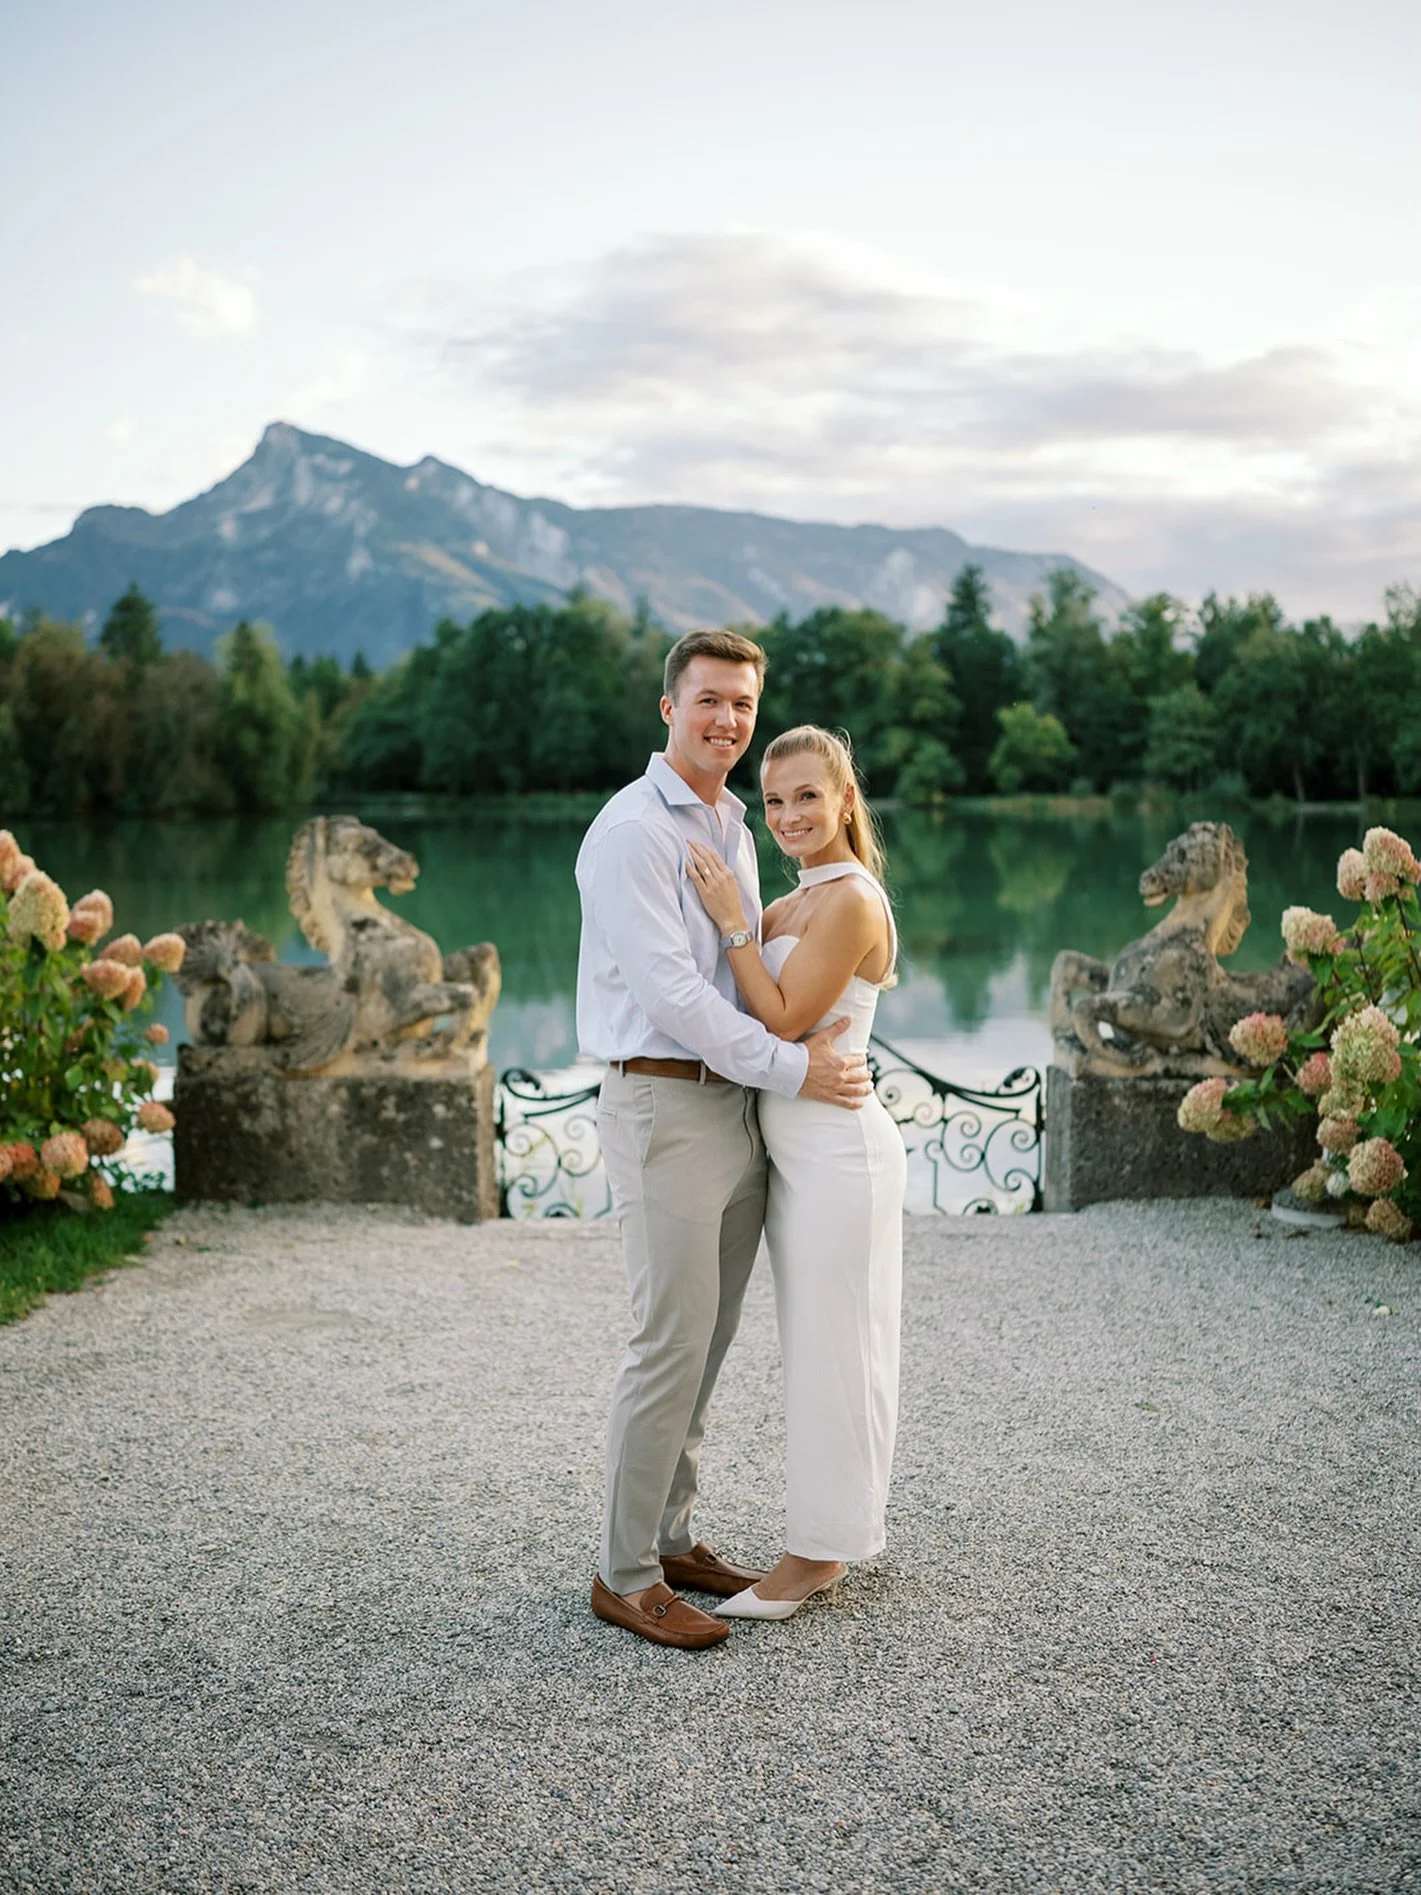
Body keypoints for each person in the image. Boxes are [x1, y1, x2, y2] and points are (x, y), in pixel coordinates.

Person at [575, 632, 873, 1652]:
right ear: (668, 708)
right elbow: (670, 996)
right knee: (666, 1341)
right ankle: (622, 1573)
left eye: (742, 703)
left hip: (731, 1109)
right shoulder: (630, 831)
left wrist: (773, 1076)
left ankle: (668, 1538)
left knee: (705, 1343)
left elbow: (750, 974)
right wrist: (797, 1071)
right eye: (708, 699)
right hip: (663, 1106)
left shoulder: (736, 828)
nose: (727, 720)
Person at [684, 724, 906, 1620]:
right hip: (798, 1157)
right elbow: (739, 1006)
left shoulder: (849, 901)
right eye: (773, 801)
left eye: (807, 796)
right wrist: (742, 921)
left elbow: (773, 1020)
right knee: (822, 1344)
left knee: (835, 1348)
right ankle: (836, 1534)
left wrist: (730, 916)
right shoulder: (790, 906)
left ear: (845, 799)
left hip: (841, 1153)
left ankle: (815, 1554)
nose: (787, 815)